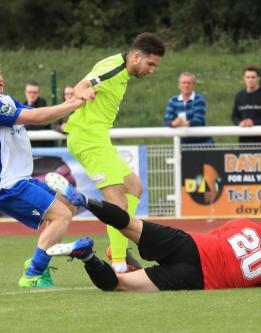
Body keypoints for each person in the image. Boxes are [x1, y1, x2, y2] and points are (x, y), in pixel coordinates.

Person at [45, 172, 261, 292]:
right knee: (120, 285)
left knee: (130, 224)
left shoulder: (245, 224)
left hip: (193, 245)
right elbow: (258, 283)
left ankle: (84, 201)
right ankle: (88, 256)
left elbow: (216, 238)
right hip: (196, 279)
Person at [0, 45, 84, 288]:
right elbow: (38, 118)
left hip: (20, 179)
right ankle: (33, 273)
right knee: (60, 215)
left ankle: (37, 260)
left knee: (67, 207)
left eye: (0, 73)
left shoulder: (5, 100)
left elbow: (38, 113)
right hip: (6, 185)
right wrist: (75, 103)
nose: (1, 78)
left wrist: (71, 108)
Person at [64, 32, 166, 273]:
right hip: (88, 140)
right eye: (150, 64)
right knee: (118, 202)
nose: (152, 70)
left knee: (134, 187)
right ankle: (119, 265)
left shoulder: (121, 69)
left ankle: (116, 246)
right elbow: (82, 85)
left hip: (99, 139)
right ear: (137, 56)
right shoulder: (113, 68)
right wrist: (83, 92)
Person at [164, 72, 214, 144]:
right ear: (179, 85)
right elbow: (166, 122)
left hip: (203, 142)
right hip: (183, 144)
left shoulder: (199, 99)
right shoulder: (173, 100)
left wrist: (178, 124)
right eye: (183, 83)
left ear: (193, 85)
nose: (186, 85)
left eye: (189, 83)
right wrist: (173, 123)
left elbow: (198, 121)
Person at [231, 65, 261, 144]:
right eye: (247, 77)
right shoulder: (239, 96)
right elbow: (234, 116)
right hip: (243, 141)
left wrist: (253, 123)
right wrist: (239, 123)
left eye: (253, 77)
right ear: (244, 79)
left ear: (258, 78)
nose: (250, 80)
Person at [23, 81, 55, 147]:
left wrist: (23, 124)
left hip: (42, 145)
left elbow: (38, 124)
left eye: (34, 92)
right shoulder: (23, 105)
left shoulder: (43, 104)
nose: (32, 95)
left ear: (39, 93)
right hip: (28, 145)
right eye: (29, 92)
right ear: (25, 92)